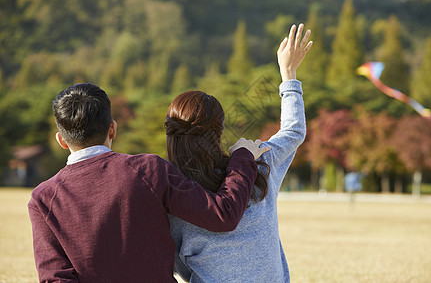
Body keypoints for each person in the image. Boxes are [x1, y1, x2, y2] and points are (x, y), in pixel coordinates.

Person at [28, 83, 270, 282]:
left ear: (61, 139)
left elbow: (56, 278)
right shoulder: (149, 170)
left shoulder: (42, 199)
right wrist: (242, 158)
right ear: (112, 129)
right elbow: (223, 215)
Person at [166, 24, 312, 282]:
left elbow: (180, 266)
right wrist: (288, 73)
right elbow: (294, 131)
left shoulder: (170, 194)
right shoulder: (259, 164)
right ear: (219, 131)